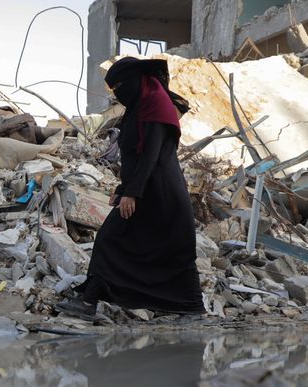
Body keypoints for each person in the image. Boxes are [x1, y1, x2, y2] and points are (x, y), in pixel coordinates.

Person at [57, 57, 205, 318]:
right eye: (113, 90)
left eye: (120, 86)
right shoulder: (140, 106)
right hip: (148, 188)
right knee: (148, 247)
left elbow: (151, 154)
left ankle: (90, 301)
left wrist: (132, 193)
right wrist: (124, 186)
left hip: (160, 194)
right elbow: (135, 155)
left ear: (138, 80)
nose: (118, 93)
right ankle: (93, 296)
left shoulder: (157, 106)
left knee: (119, 240)